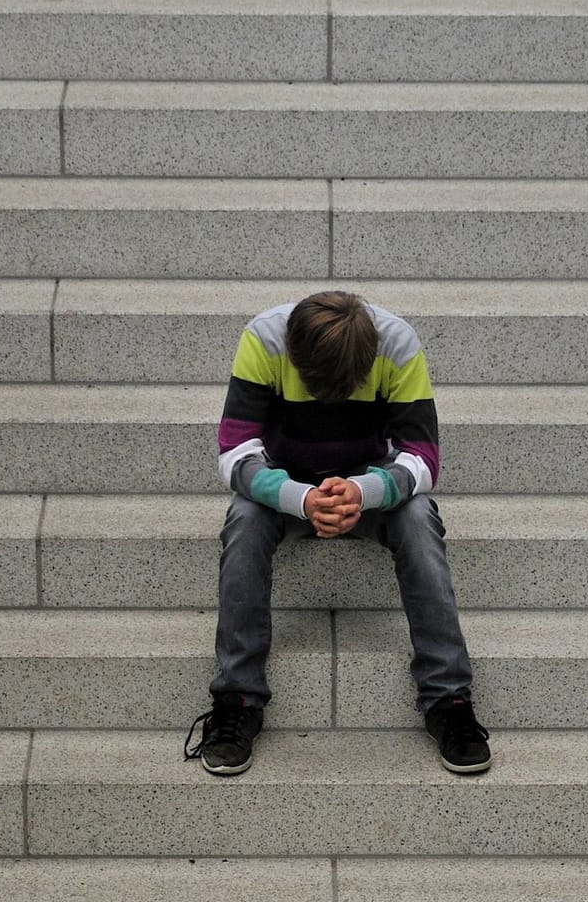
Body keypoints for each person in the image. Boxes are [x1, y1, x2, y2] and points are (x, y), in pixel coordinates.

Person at [184, 290, 491, 776]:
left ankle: (448, 701)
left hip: (371, 486)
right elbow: (235, 451)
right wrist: (301, 499)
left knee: (419, 517)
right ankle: (237, 701)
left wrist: (362, 492)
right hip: (284, 486)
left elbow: (423, 458)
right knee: (243, 520)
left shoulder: (398, 344)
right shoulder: (264, 340)